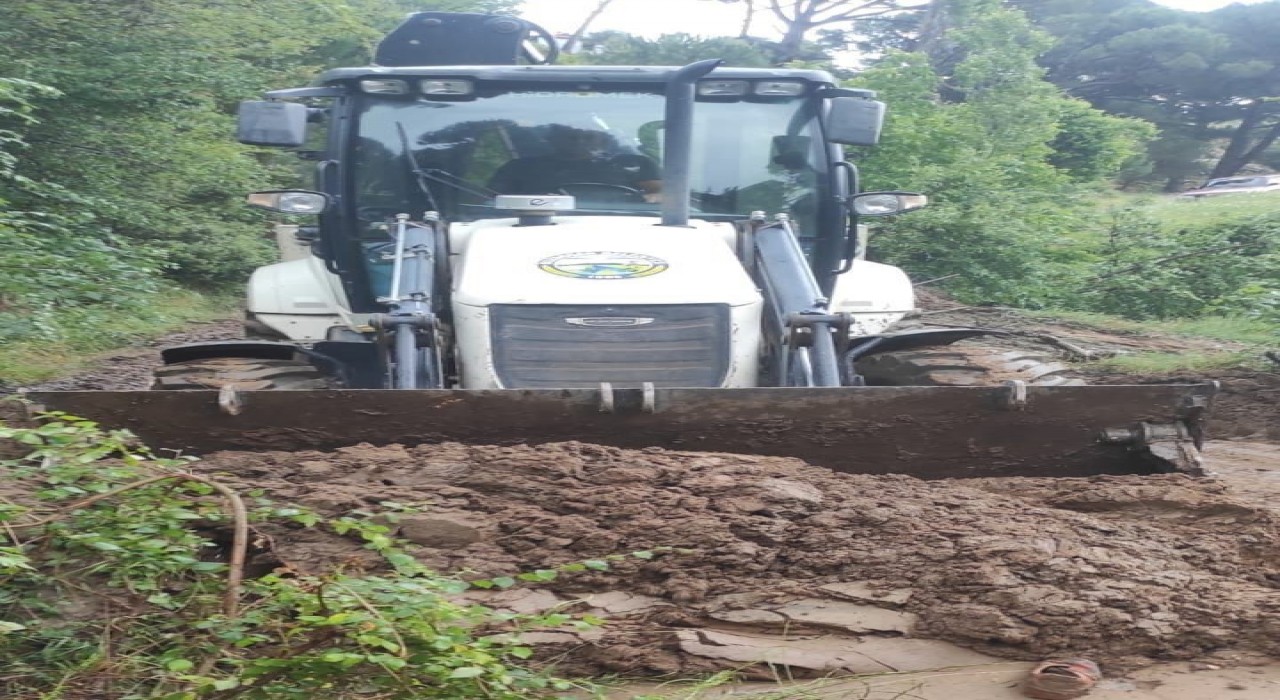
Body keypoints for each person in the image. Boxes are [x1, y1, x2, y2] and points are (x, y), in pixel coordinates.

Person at [488, 125, 661, 203]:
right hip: (534, 226)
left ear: (602, 141)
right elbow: (487, 203)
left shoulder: (633, 163)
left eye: (588, 137)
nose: (579, 142)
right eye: (571, 137)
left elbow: (671, 196)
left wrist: (654, 198)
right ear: (552, 140)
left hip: (625, 225)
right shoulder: (519, 168)